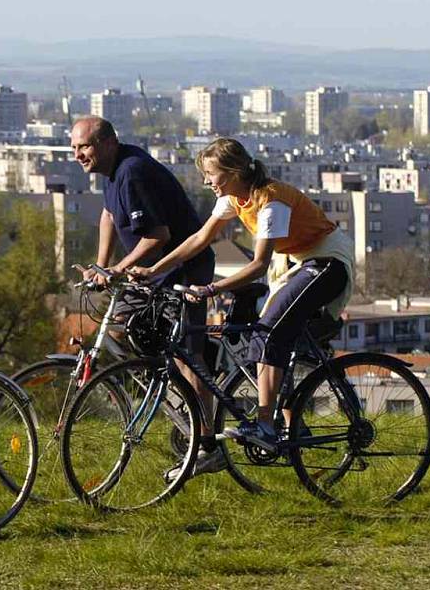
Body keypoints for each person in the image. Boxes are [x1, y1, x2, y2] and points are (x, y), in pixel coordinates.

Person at [129, 137, 354, 455]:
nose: (206, 181)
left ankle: (265, 423)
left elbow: (258, 264)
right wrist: (154, 270)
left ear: (234, 171)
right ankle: (289, 424)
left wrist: (212, 289)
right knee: (267, 339)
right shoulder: (234, 197)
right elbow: (200, 238)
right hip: (298, 262)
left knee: (269, 330)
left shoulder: (270, 202)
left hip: (328, 261)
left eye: (211, 173)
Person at [70, 116, 219, 476]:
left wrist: (118, 269)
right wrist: (101, 265)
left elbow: (159, 236)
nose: (77, 155)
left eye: (84, 147)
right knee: (120, 326)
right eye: (73, 147)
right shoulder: (112, 172)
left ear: (107, 143)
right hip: (151, 271)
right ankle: (169, 387)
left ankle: (207, 442)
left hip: (183, 267)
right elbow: (109, 214)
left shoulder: (133, 171)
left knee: (186, 355)